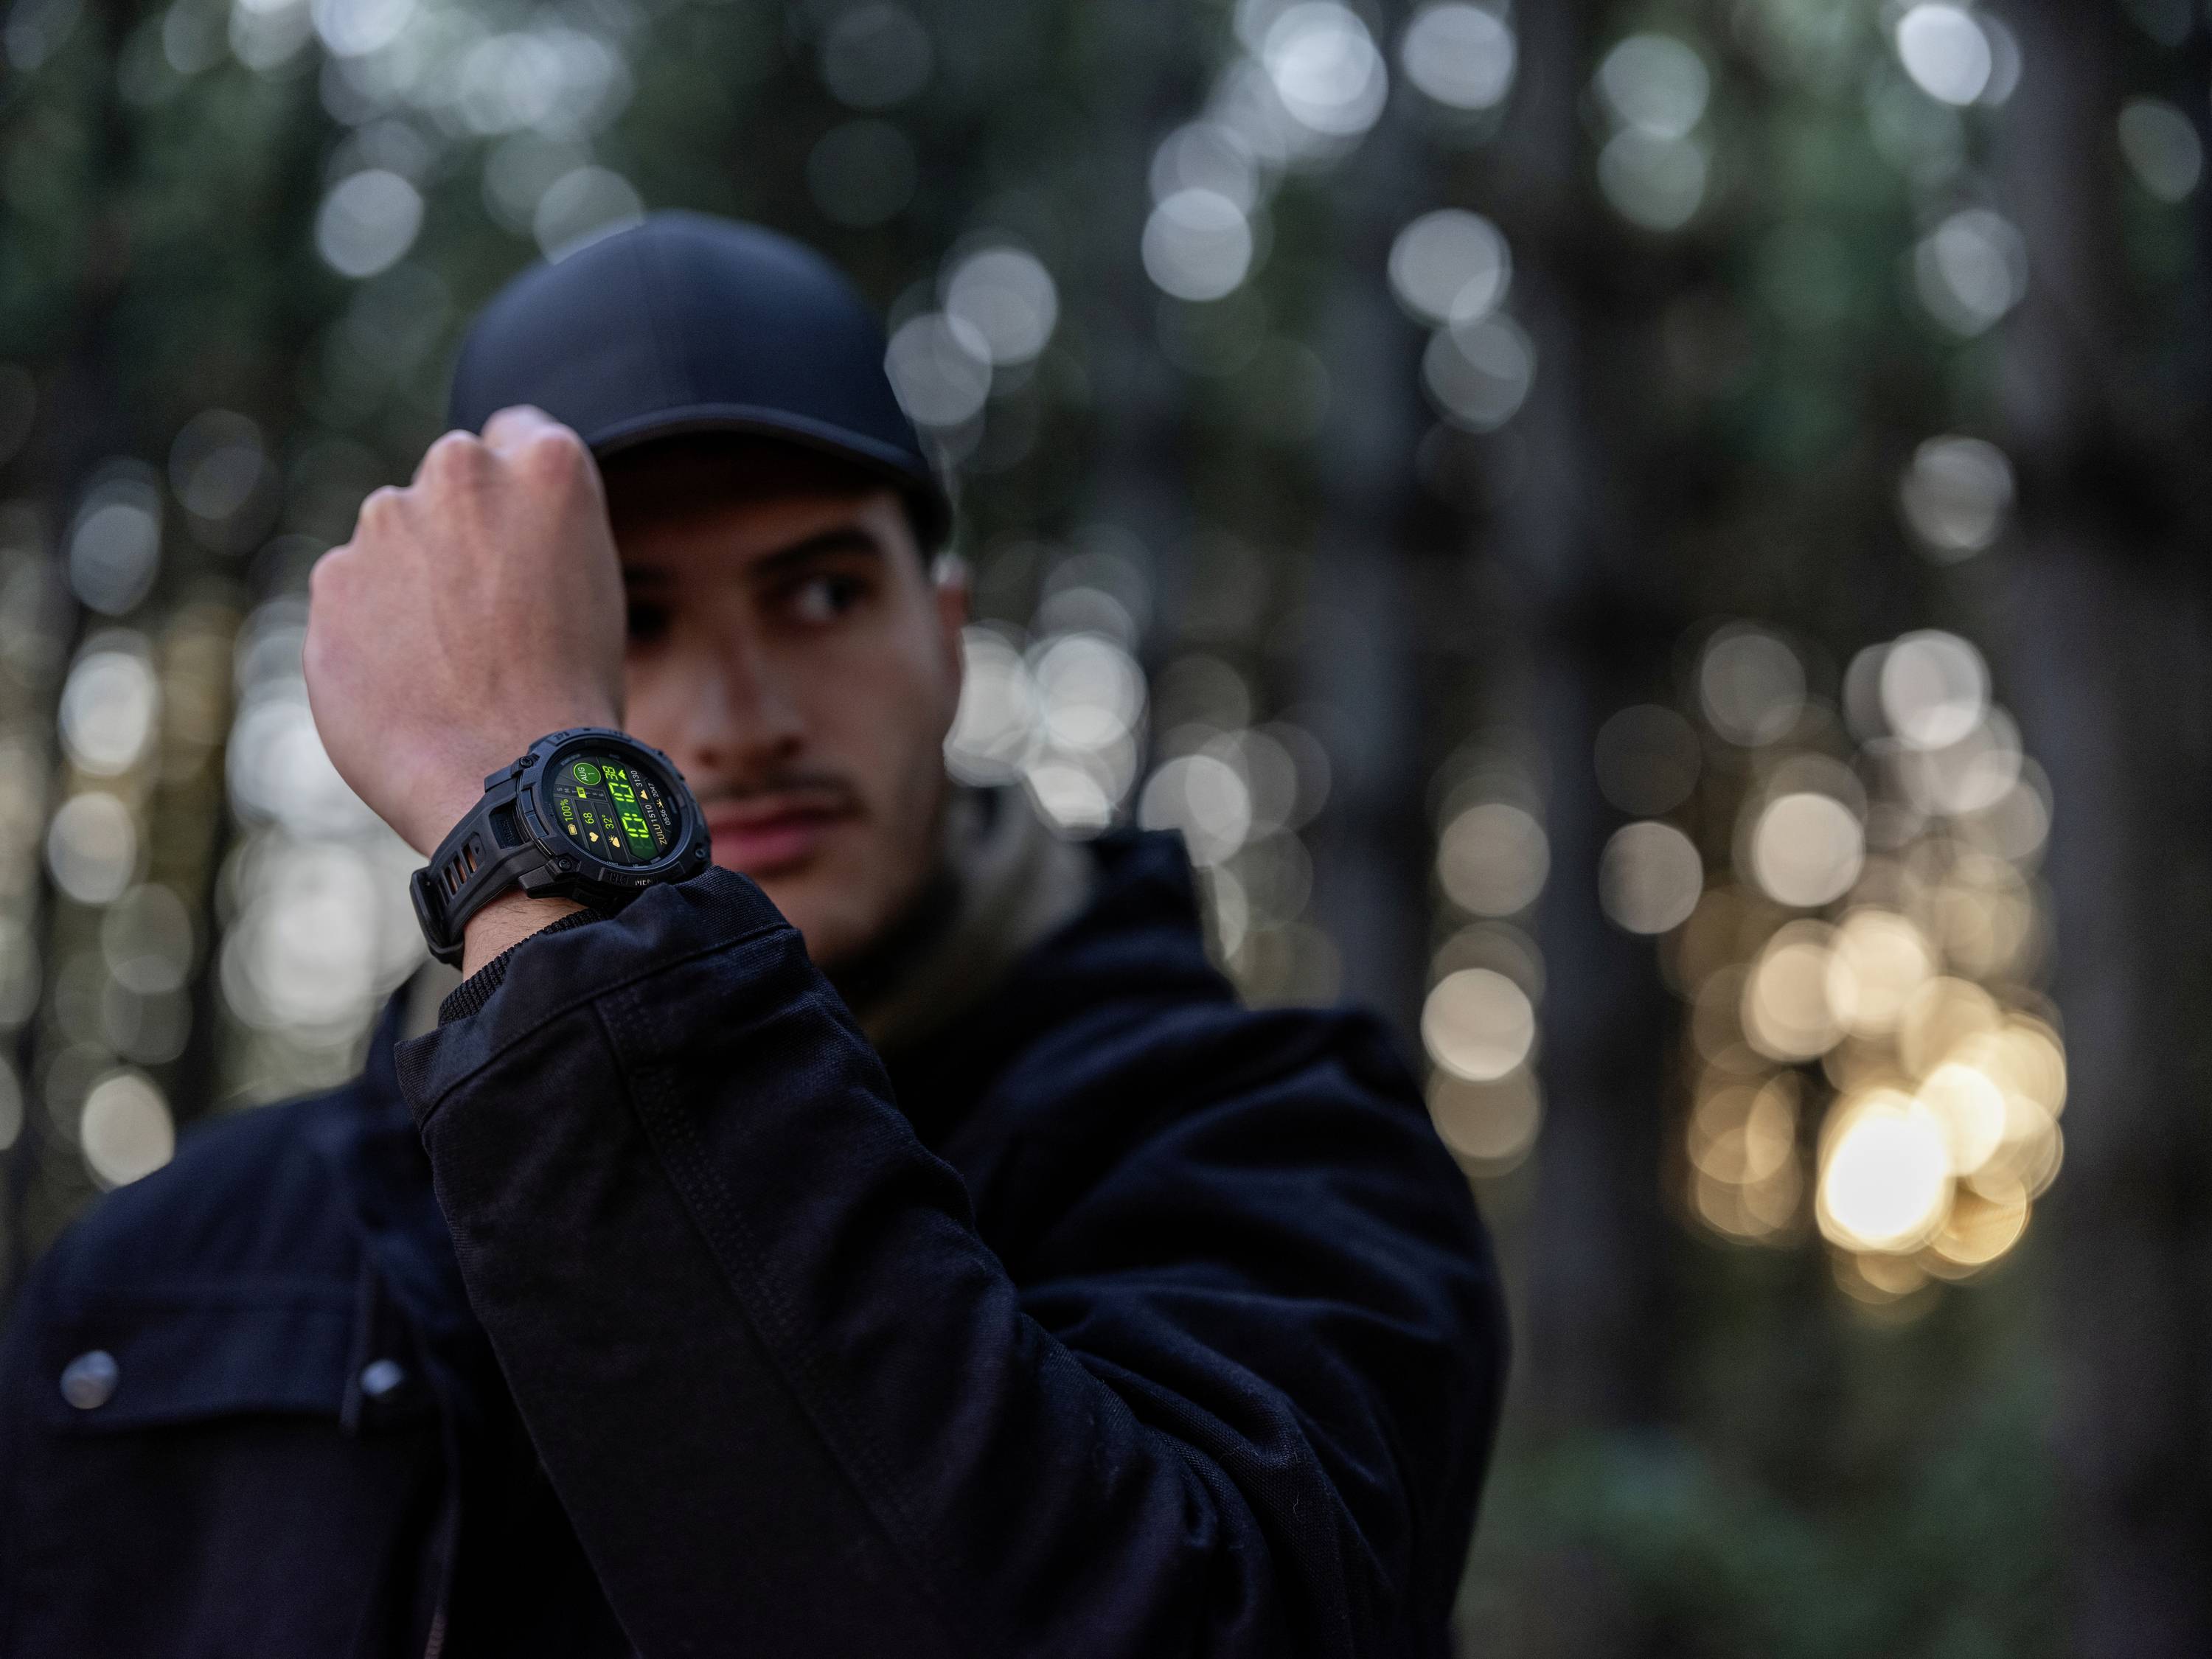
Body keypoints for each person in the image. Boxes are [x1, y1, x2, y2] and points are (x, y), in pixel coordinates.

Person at [0, 212, 1506, 1656]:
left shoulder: (1284, 1151)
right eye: (627, 620)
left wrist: (535, 847)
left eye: (823, 591)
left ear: (943, 628)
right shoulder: (173, 1272)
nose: (741, 719)